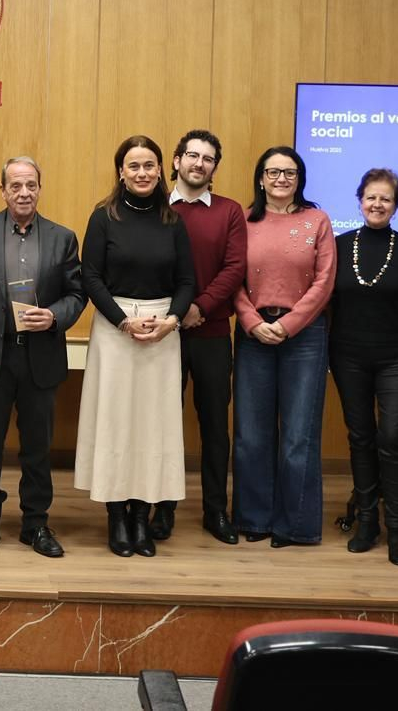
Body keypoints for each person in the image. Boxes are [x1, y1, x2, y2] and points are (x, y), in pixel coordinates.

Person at [0, 156, 86, 559]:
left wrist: (55, 316)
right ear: (3, 190)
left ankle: (36, 524)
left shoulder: (63, 238)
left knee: (38, 447)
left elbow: (77, 294)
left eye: (31, 185)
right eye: (15, 186)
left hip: (40, 355)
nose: (24, 192)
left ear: (40, 188)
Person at [75, 135, 195, 558]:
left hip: (162, 332)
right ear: (121, 172)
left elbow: (187, 281)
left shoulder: (173, 221)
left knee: (152, 427)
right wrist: (123, 321)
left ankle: (141, 517)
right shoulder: (103, 217)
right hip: (115, 329)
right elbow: (90, 277)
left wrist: (172, 321)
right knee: (115, 423)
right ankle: (116, 517)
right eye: (133, 166)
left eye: (149, 165)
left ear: (161, 170)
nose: (142, 173)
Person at [329, 168, 398, 566]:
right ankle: (367, 522)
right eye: (371, 197)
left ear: (396, 206)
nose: (377, 204)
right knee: (360, 437)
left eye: (385, 199)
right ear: (360, 201)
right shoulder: (339, 246)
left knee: (392, 438)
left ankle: (397, 529)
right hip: (348, 357)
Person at [232, 145, 335, 548]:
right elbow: (232, 277)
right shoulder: (243, 220)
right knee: (251, 433)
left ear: (300, 179)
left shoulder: (317, 220)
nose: (281, 179)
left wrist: (288, 325)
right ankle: (254, 519)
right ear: (260, 178)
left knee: (298, 435)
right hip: (253, 333)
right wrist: (253, 322)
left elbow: (324, 282)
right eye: (273, 172)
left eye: (289, 172)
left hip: (305, 335)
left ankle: (295, 526)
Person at [166, 129, 247, 545]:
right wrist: (176, 314)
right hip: (162, 335)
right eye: (192, 155)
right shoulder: (157, 208)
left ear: (215, 167)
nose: (199, 163)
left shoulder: (230, 212)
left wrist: (199, 308)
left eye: (208, 158)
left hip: (212, 332)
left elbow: (234, 268)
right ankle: (161, 509)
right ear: (177, 160)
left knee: (215, 426)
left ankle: (216, 510)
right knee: (163, 425)